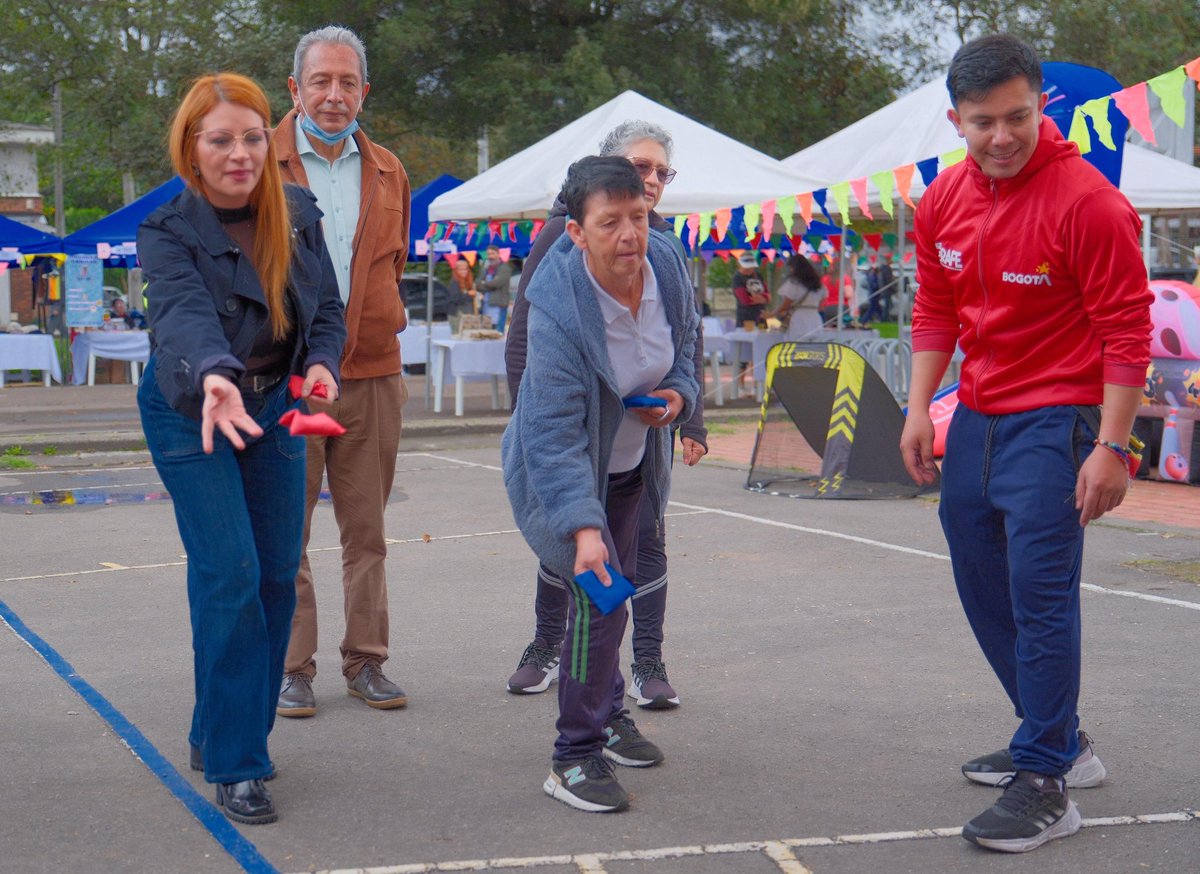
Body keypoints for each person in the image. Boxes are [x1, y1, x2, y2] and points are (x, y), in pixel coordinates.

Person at [900, 34, 1152, 853]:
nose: (1002, 137)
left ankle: (1044, 778)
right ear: (956, 121)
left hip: (1062, 418)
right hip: (974, 415)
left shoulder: (1090, 203)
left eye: (1017, 117)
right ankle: (1062, 739)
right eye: (983, 123)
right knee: (982, 581)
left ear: (1041, 106)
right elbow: (934, 309)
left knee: (1041, 594)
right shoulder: (940, 202)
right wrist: (914, 411)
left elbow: (1126, 331)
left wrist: (1111, 447)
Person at [136, 72, 345, 825]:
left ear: (270, 140)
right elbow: (185, 319)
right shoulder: (167, 230)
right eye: (220, 139)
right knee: (230, 571)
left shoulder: (296, 213)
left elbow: (325, 312)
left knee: (274, 581)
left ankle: (217, 730)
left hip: (275, 409)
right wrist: (219, 377)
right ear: (191, 148)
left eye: (252, 137)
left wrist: (321, 363)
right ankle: (237, 763)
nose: (239, 153)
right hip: (191, 406)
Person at [502, 155, 699, 813]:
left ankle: (609, 714)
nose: (628, 235)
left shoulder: (668, 265)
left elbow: (689, 355)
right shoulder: (558, 306)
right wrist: (583, 529)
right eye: (609, 222)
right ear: (577, 233)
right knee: (601, 602)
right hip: (564, 472)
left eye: (637, 217)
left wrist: (677, 398)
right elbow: (554, 436)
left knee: (614, 598)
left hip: (632, 465)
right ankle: (573, 757)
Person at [273, 25, 412, 718]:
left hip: (372, 375)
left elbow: (390, 264)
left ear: (365, 91)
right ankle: (292, 667)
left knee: (367, 531)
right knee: (284, 531)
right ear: (295, 90)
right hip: (287, 377)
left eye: (347, 82)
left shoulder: (389, 169)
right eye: (320, 82)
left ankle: (367, 662)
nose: (334, 95)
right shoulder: (258, 162)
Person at [772, 255, 823, 341]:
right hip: (815, 318)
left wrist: (772, 313)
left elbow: (786, 305)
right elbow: (821, 305)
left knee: (797, 347)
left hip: (799, 318)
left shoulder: (793, 283)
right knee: (815, 347)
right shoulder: (818, 284)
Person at [479, 245, 512, 332]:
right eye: (488, 254)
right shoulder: (486, 269)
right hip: (486, 304)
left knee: (498, 332)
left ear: (498, 254)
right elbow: (477, 284)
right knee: (487, 331)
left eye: (492, 254)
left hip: (499, 303)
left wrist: (485, 283)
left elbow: (497, 283)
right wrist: (489, 284)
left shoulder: (504, 268)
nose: (490, 256)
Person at [732, 251, 769, 327]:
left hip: (761, 316)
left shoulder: (758, 275)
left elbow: (768, 295)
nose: (749, 269)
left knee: (762, 337)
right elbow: (744, 300)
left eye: (751, 267)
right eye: (746, 267)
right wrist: (761, 299)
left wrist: (763, 299)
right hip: (746, 318)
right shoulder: (737, 278)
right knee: (747, 337)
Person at [447, 258, 479, 323]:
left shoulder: (468, 282)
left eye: (465, 269)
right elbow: (455, 298)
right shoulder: (454, 282)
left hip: (468, 314)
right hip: (457, 315)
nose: (463, 271)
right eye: (460, 270)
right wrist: (468, 294)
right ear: (456, 271)